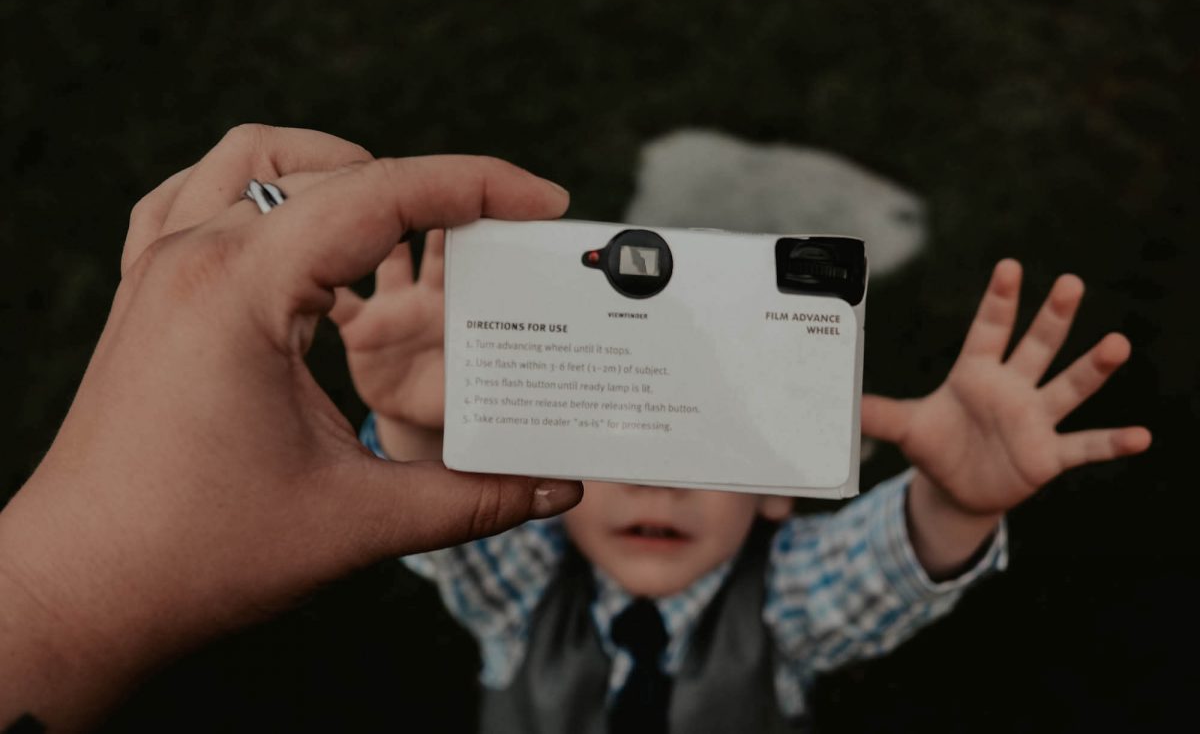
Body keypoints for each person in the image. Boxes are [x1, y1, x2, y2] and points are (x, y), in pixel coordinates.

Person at [337, 228, 1152, 732]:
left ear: (775, 488)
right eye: (624, 449)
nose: (658, 490)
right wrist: (418, 422)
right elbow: (444, 528)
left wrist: (952, 502)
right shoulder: (526, 583)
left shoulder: (782, 601)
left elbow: (868, 572)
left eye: (703, 451)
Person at [0, 125, 587, 733]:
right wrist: (416, 427)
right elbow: (473, 555)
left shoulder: (543, 611)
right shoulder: (539, 590)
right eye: (608, 461)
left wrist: (61, 585)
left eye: (658, 458)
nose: (657, 492)